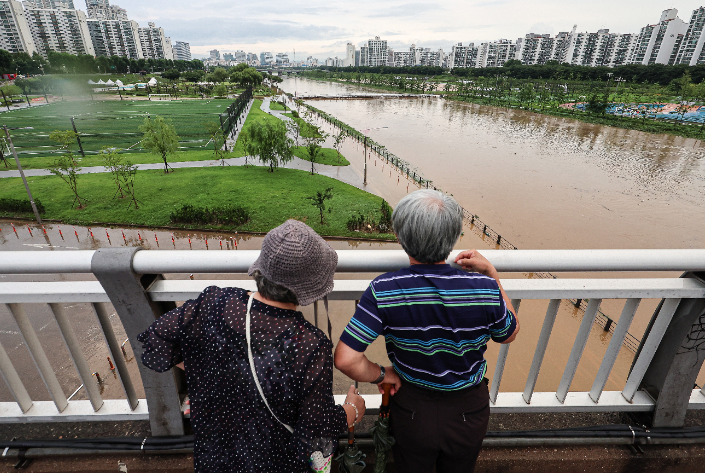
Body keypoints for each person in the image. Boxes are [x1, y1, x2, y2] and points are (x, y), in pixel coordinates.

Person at [138, 219, 365, 473]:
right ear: (311, 288)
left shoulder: (215, 302)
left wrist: (206, 370)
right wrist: (352, 410)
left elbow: (156, 340)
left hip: (215, 460)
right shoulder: (310, 345)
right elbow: (314, 434)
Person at [334, 190, 518, 473]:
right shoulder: (483, 288)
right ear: (454, 237)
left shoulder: (384, 290)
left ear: (400, 237)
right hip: (468, 411)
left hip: (411, 408)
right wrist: (493, 275)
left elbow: (346, 359)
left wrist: (383, 374)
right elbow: (509, 333)